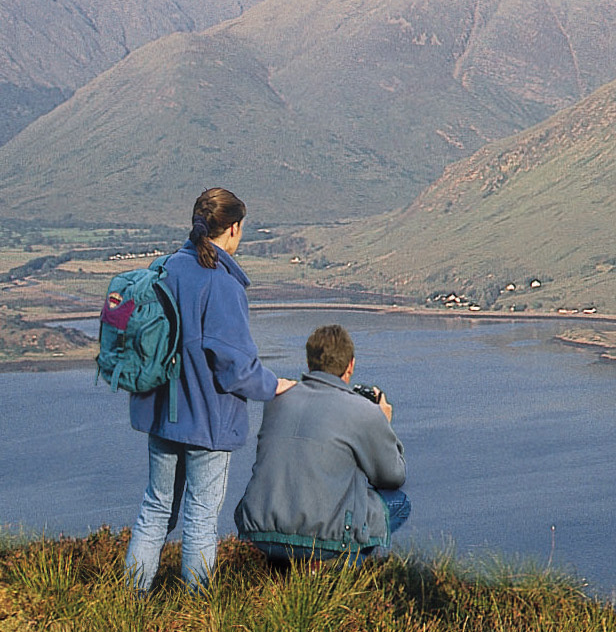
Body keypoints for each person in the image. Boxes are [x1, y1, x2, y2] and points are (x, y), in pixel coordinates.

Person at [122, 186, 270, 589]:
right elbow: (237, 369)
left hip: (160, 414)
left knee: (155, 509)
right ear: (234, 229)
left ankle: (129, 601)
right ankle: (196, 613)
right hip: (207, 422)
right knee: (201, 519)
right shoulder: (223, 285)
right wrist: (277, 387)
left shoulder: (164, 267)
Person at [237, 322, 409, 569]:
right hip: (322, 537)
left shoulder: (278, 399)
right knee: (399, 502)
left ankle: (291, 566)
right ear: (350, 365)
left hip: (262, 531)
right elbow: (392, 477)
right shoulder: (364, 412)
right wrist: (383, 423)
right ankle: (336, 569)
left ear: (309, 363)